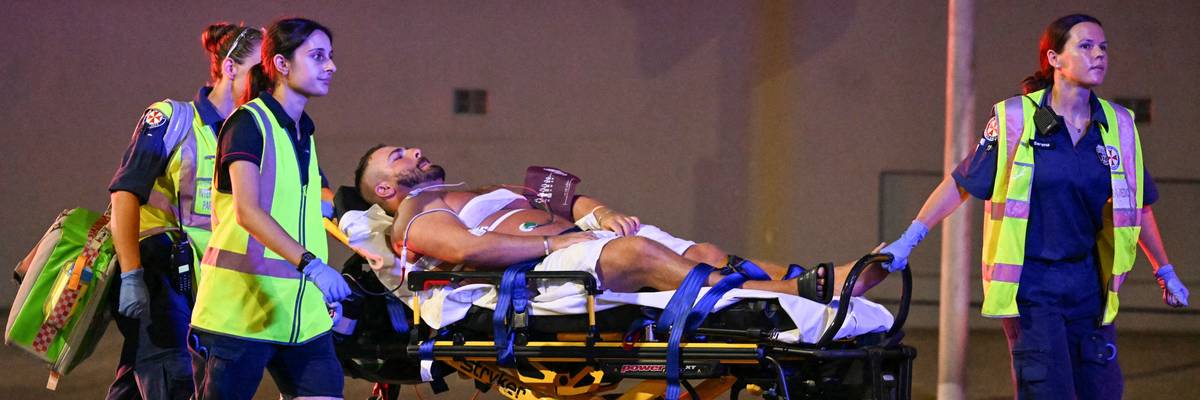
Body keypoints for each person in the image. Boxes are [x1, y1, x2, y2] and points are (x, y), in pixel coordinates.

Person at [878, 14, 1189, 399]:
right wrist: (908, 240)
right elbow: (961, 183)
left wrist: (1165, 270)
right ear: (1054, 59)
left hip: (1089, 287)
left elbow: (1138, 206)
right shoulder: (1015, 119)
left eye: (1104, 48)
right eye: (1086, 46)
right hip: (1034, 288)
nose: (1099, 55)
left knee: (1102, 391)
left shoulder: (1119, 125)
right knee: (1048, 391)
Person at [353, 144, 889, 299]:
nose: (416, 150)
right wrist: (554, 248)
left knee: (701, 252)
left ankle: (813, 276)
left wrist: (599, 214)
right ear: (384, 187)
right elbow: (470, 252)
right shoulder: (413, 216)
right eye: (400, 155)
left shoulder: (469, 188)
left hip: (583, 242)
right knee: (640, 256)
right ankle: (801, 290)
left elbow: (563, 201)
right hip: (552, 267)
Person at [189, 18, 347, 400]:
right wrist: (313, 266)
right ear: (280, 64)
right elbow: (247, 211)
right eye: (317, 56)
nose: (331, 66)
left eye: (330, 57)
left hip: (301, 321)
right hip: (240, 315)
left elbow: (311, 212)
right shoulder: (247, 123)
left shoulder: (303, 131)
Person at [107, 23, 262, 400]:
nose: (269, 82)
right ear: (229, 68)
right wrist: (131, 274)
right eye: (261, 72)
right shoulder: (173, 119)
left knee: (138, 380)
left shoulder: (256, 132)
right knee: (173, 377)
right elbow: (125, 195)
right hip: (161, 276)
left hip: (210, 286)